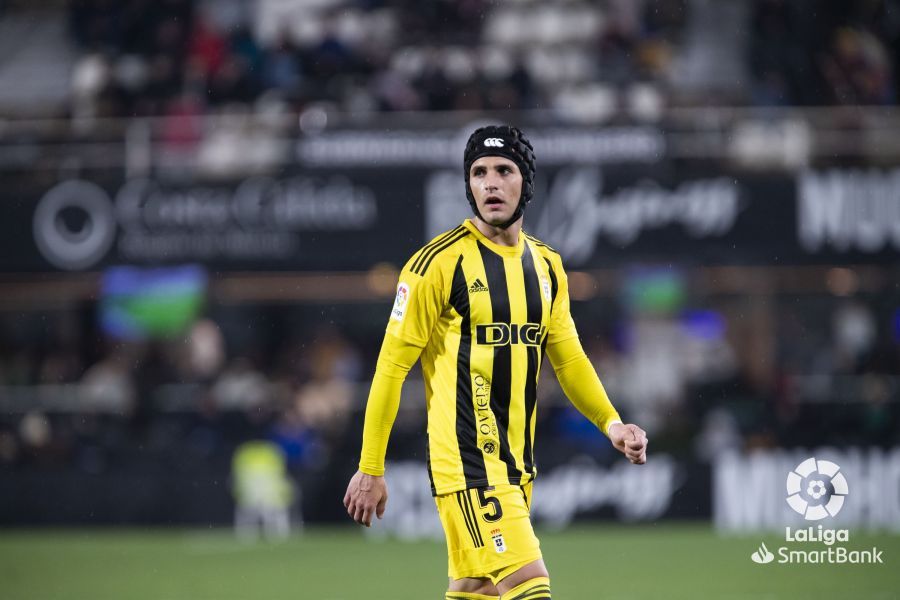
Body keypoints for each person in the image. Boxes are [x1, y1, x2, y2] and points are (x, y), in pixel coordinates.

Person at [344, 125, 648, 600]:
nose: (489, 182)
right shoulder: (435, 266)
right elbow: (390, 369)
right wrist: (370, 467)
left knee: (478, 590)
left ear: (525, 181)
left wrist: (612, 424)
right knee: (531, 588)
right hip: (468, 468)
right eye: (478, 172)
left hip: (516, 468)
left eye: (503, 170)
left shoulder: (548, 266)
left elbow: (568, 359)